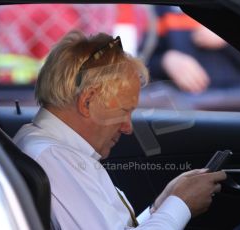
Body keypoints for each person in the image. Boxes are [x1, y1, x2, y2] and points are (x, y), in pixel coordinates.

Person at [13, 30, 227, 229]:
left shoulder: (52, 150)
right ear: (88, 102)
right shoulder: (54, 158)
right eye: (124, 111)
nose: (128, 128)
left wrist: (161, 206)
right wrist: (181, 205)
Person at [148, 6, 240, 93]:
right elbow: (143, 63)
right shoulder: (162, 9)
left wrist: (230, 40)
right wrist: (165, 60)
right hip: (184, 103)